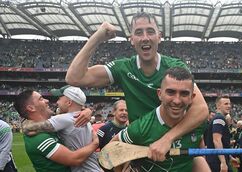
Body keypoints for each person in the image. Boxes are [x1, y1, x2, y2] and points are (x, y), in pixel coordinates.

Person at [65, 11, 208, 161]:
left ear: (159, 37)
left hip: (175, 145)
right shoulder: (123, 68)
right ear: (131, 39)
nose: (145, 38)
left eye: (150, 31)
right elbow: (74, 77)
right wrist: (97, 37)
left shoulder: (175, 67)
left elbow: (201, 109)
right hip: (139, 146)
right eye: (139, 32)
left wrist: (167, 139)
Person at [111, 67, 210, 172]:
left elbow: (198, 148)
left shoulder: (199, 123)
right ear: (160, 94)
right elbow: (110, 152)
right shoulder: (141, 128)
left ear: (192, 97)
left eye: (184, 94)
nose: (177, 100)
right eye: (171, 92)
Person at [14, 90, 99, 172]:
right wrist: (95, 144)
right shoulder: (38, 138)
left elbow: (70, 112)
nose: (47, 100)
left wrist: (87, 111)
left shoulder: (52, 125)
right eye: (41, 99)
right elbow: (74, 159)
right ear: (31, 108)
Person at [205, 95, 237, 172]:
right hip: (217, 161)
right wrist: (223, 162)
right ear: (218, 106)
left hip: (216, 159)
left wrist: (229, 157)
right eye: (226, 104)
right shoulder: (219, 118)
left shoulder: (218, 118)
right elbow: (216, 140)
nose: (229, 106)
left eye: (229, 104)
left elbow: (222, 142)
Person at [97, 100, 128, 172]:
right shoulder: (103, 129)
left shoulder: (130, 131)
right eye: (121, 110)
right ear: (114, 112)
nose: (124, 112)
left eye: (126, 110)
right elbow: (93, 150)